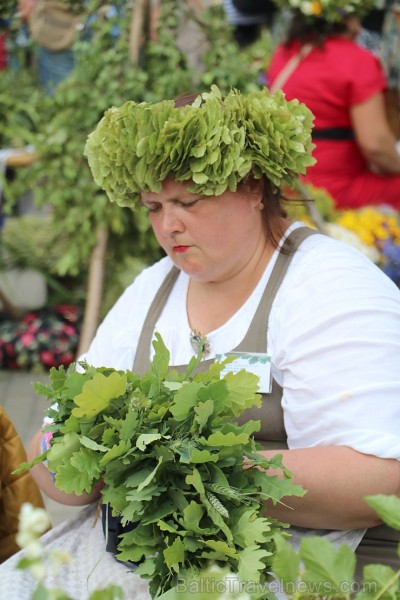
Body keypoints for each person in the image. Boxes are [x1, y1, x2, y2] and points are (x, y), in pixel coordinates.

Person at [0, 85, 399, 597]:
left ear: (254, 186)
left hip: (302, 567)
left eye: (188, 201)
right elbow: (55, 440)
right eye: (153, 206)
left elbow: (378, 480)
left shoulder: (328, 286)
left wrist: (197, 464)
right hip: (148, 562)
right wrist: (76, 452)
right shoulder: (153, 287)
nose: (169, 225)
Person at [267, 0, 400, 210]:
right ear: (347, 17)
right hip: (334, 190)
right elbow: (375, 146)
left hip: (289, 185)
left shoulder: (284, 53)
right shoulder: (357, 61)